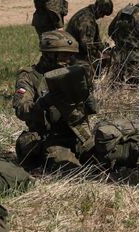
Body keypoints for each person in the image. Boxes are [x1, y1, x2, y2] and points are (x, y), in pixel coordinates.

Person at [12, 30, 97, 168]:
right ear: (49, 54)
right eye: (63, 55)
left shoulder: (73, 74)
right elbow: (22, 110)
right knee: (69, 168)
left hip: (78, 134)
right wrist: (43, 103)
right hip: (48, 138)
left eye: (70, 55)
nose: (68, 59)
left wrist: (86, 94)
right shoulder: (30, 76)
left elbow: (92, 109)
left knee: (105, 157)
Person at [65, 0, 114, 84]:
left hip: (76, 51)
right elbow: (87, 46)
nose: (102, 17)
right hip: (73, 55)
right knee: (93, 71)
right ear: (98, 9)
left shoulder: (87, 13)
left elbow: (96, 41)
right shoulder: (87, 21)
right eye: (103, 14)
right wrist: (100, 56)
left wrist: (105, 50)